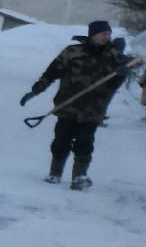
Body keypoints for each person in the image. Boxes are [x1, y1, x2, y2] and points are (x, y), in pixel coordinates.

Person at [20, 20, 131, 190]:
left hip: (93, 108)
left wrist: (120, 75)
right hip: (67, 105)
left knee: (85, 142)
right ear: (92, 34)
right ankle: (55, 173)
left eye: (108, 34)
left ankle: (79, 176)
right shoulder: (72, 52)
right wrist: (35, 91)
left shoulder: (115, 57)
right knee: (61, 140)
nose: (106, 37)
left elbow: (112, 86)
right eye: (103, 33)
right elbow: (51, 73)